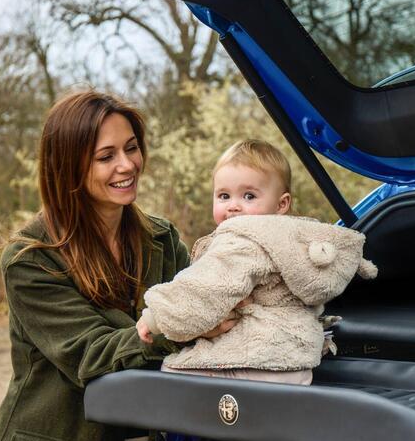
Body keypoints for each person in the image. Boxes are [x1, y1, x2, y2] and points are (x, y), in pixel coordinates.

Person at [0, 90, 231, 441]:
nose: (126, 165)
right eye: (105, 156)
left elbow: (207, 299)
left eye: (130, 148)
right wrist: (182, 327)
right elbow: (91, 354)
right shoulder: (31, 258)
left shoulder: (162, 240)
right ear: (68, 166)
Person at [136, 139, 377, 385]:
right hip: (295, 360)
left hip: (255, 357)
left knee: (171, 378)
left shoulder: (246, 239)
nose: (233, 206)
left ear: (281, 204)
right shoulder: (294, 237)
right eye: (224, 195)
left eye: (249, 196)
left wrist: (157, 316)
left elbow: (207, 287)